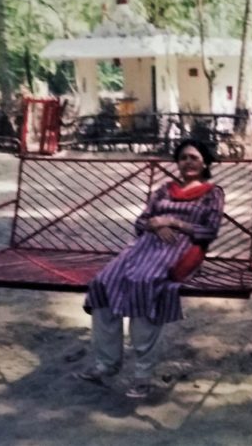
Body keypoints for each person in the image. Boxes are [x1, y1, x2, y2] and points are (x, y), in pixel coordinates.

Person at [74, 139, 225, 398]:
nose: (188, 162)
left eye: (194, 157)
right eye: (183, 158)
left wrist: (173, 222)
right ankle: (106, 364)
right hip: (145, 246)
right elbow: (142, 220)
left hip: (181, 249)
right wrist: (155, 223)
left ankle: (143, 375)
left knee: (144, 285)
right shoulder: (165, 190)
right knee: (102, 284)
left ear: (205, 162)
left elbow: (209, 230)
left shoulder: (212, 193)